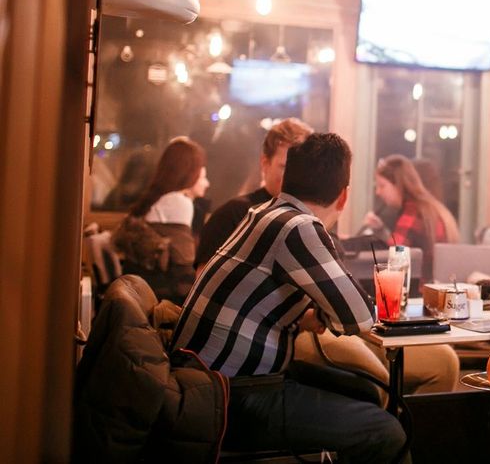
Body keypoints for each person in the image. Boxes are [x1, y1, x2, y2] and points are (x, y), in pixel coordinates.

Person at [171, 133, 405, 460]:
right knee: (385, 432)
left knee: (364, 390)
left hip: (197, 383)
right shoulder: (298, 227)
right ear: (343, 196)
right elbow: (359, 317)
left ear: (286, 182)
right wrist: (327, 311)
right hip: (229, 398)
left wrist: (318, 313)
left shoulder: (264, 213)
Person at [195, 121, 458, 396]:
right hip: (259, 362)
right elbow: (356, 314)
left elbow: (345, 302)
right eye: (288, 167)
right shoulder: (271, 219)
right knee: (376, 382)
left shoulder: (279, 216)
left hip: (322, 325)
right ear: (265, 163)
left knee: (442, 362)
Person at [195, 117, 313, 269]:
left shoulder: (312, 218)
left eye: (301, 168)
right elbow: (204, 279)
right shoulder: (232, 215)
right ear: (265, 163)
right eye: (285, 167)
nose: (295, 176)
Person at [115, 136, 209, 303]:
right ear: (189, 174)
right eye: (202, 175)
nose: (207, 183)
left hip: (141, 292)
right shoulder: (178, 202)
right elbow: (183, 266)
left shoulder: (156, 199)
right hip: (160, 298)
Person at [364, 155, 459, 282]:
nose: (378, 192)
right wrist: (380, 229)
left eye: (382, 186)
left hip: (421, 289)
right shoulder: (429, 208)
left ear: (399, 185)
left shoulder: (414, 211)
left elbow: (394, 256)